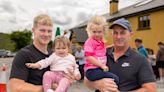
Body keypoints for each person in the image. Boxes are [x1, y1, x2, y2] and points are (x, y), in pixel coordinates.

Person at [84, 18, 156, 92]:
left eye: (122, 33)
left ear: (131, 35)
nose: (118, 37)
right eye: (115, 33)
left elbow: (150, 89)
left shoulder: (140, 59)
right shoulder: (102, 54)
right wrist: (97, 84)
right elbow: (86, 80)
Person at [9, 14, 74, 92]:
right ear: (33, 30)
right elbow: (15, 88)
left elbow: (66, 76)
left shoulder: (54, 54)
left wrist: (69, 79)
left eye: (49, 31)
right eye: (42, 30)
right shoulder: (24, 54)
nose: (46, 34)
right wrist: (48, 88)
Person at [84, 15, 119, 86]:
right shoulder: (90, 41)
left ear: (104, 32)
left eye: (99, 32)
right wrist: (102, 65)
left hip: (98, 69)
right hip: (92, 70)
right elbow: (88, 57)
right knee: (115, 78)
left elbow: (100, 52)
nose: (97, 34)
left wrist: (111, 46)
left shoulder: (100, 41)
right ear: (90, 31)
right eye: (94, 32)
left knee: (111, 81)